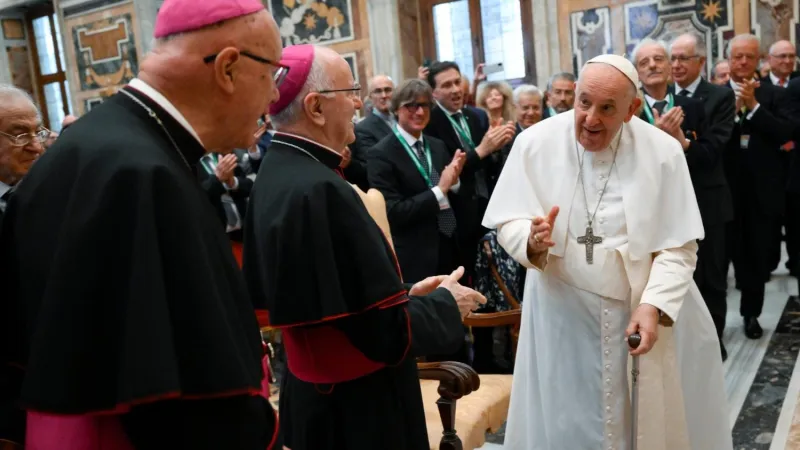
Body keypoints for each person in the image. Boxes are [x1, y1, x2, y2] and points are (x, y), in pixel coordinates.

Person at [0, 0, 283, 448]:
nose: (273, 95)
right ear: (227, 68)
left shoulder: (89, 149)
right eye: (273, 72)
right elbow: (188, 404)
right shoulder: (146, 177)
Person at [243, 44, 486, 450]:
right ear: (316, 107)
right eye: (350, 92)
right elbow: (379, 332)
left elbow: (337, 303)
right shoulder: (321, 189)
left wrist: (405, 295)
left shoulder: (280, 172)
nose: (360, 103)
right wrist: (446, 303)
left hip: (316, 399)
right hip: (358, 410)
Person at [483, 54, 732, 449]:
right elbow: (507, 220)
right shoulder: (534, 143)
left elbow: (679, 246)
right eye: (583, 102)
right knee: (565, 420)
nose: (590, 119)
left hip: (635, 313)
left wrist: (653, 306)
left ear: (633, 109)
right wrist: (529, 241)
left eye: (607, 108)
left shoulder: (663, 153)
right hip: (560, 312)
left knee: (641, 424)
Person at [633, 38, 732, 360]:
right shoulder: (629, 109)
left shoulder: (692, 104)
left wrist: (679, 143)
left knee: (711, 279)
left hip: (705, 203)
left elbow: (711, 153)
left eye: (660, 58)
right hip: (652, 212)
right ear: (636, 71)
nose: (654, 65)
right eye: (645, 61)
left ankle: (712, 345)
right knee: (664, 283)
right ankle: (672, 350)